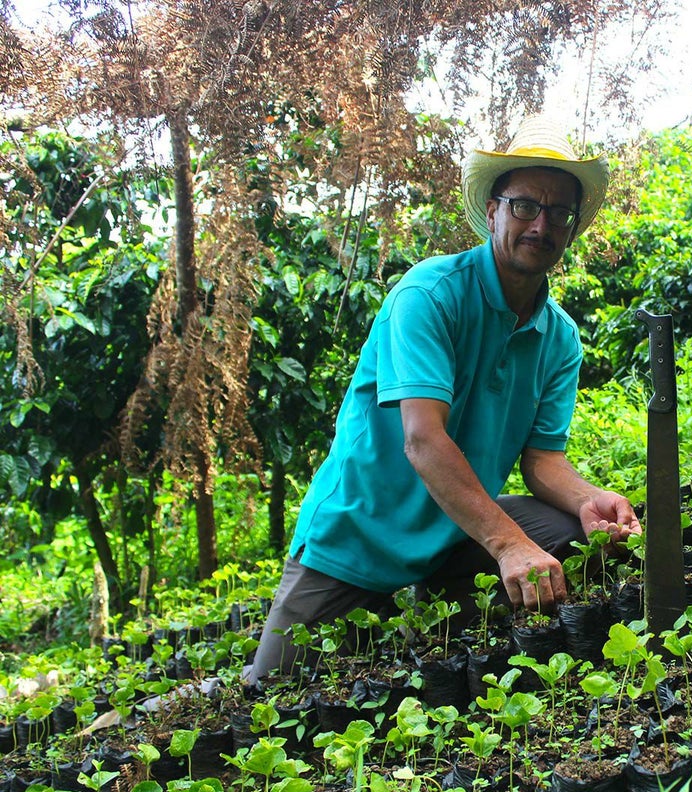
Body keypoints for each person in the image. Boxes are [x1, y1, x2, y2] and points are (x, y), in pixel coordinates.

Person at [246, 114, 641, 684]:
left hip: (457, 531)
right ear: (493, 211)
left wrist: (588, 498)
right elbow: (423, 440)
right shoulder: (429, 295)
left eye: (559, 213)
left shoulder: (559, 336)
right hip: (360, 535)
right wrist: (509, 546)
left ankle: (448, 628)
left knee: (577, 535)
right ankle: (409, 616)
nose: (541, 224)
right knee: (269, 699)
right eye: (526, 205)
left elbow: (542, 461)